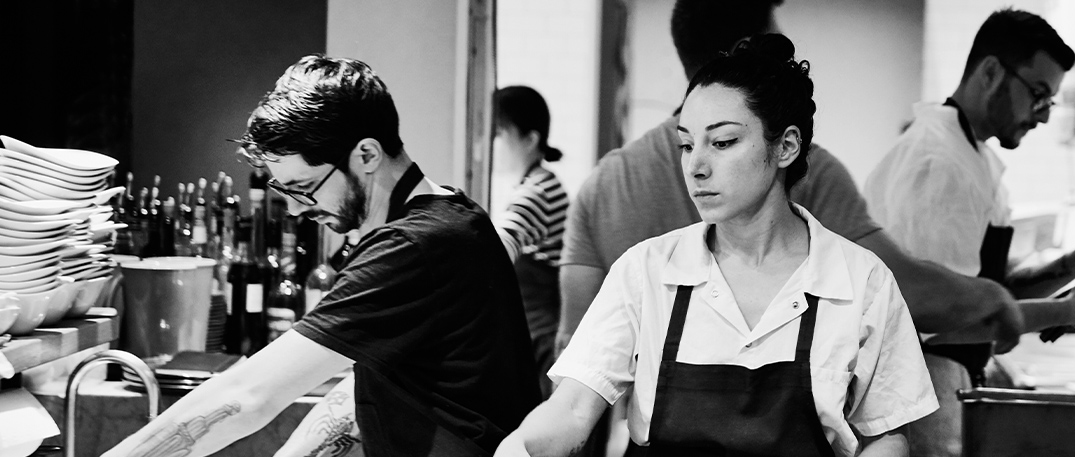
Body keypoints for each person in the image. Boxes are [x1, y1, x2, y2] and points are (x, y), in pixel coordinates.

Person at [497, 34, 936, 457]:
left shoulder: (862, 282)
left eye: (722, 142)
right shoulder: (647, 270)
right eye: (687, 144)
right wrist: (521, 445)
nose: (696, 167)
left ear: (785, 146)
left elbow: (887, 435)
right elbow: (572, 408)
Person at [103, 54, 541, 457]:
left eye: (303, 187)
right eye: (282, 190)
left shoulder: (414, 247)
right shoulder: (454, 216)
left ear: (366, 154)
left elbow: (247, 395)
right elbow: (360, 392)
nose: (294, 209)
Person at [557, 0, 1024, 360]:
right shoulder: (803, 169)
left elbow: (573, 346)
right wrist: (991, 297)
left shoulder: (605, 185)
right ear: (749, 56)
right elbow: (904, 294)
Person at [863, 9, 1075, 457]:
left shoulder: (971, 156)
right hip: (920, 390)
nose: (1042, 115)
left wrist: (1070, 265)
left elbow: (986, 289)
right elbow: (946, 316)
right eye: (1038, 94)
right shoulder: (941, 166)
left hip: (943, 378)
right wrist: (1072, 309)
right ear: (991, 72)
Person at [491, 85, 570, 396]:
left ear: (530, 139)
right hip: (536, 334)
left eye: (498, 133)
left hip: (542, 340)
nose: (491, 142)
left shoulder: (538, 192)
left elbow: (496, 250)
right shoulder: (542, 184)